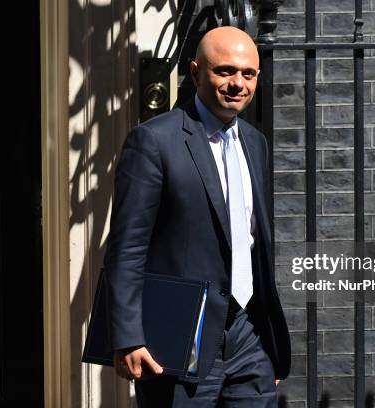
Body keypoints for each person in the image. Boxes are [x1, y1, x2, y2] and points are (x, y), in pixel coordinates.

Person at [103, 26, 291, 407]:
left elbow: (251, 241)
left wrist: (266, 343)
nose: (238, 83)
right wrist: (128, 335)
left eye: (248, 73)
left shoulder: (256, 144)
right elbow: (127, 247)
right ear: (195, 72)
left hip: (248, 335)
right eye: (225, 71)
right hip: (180, 334)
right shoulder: (154, 141)